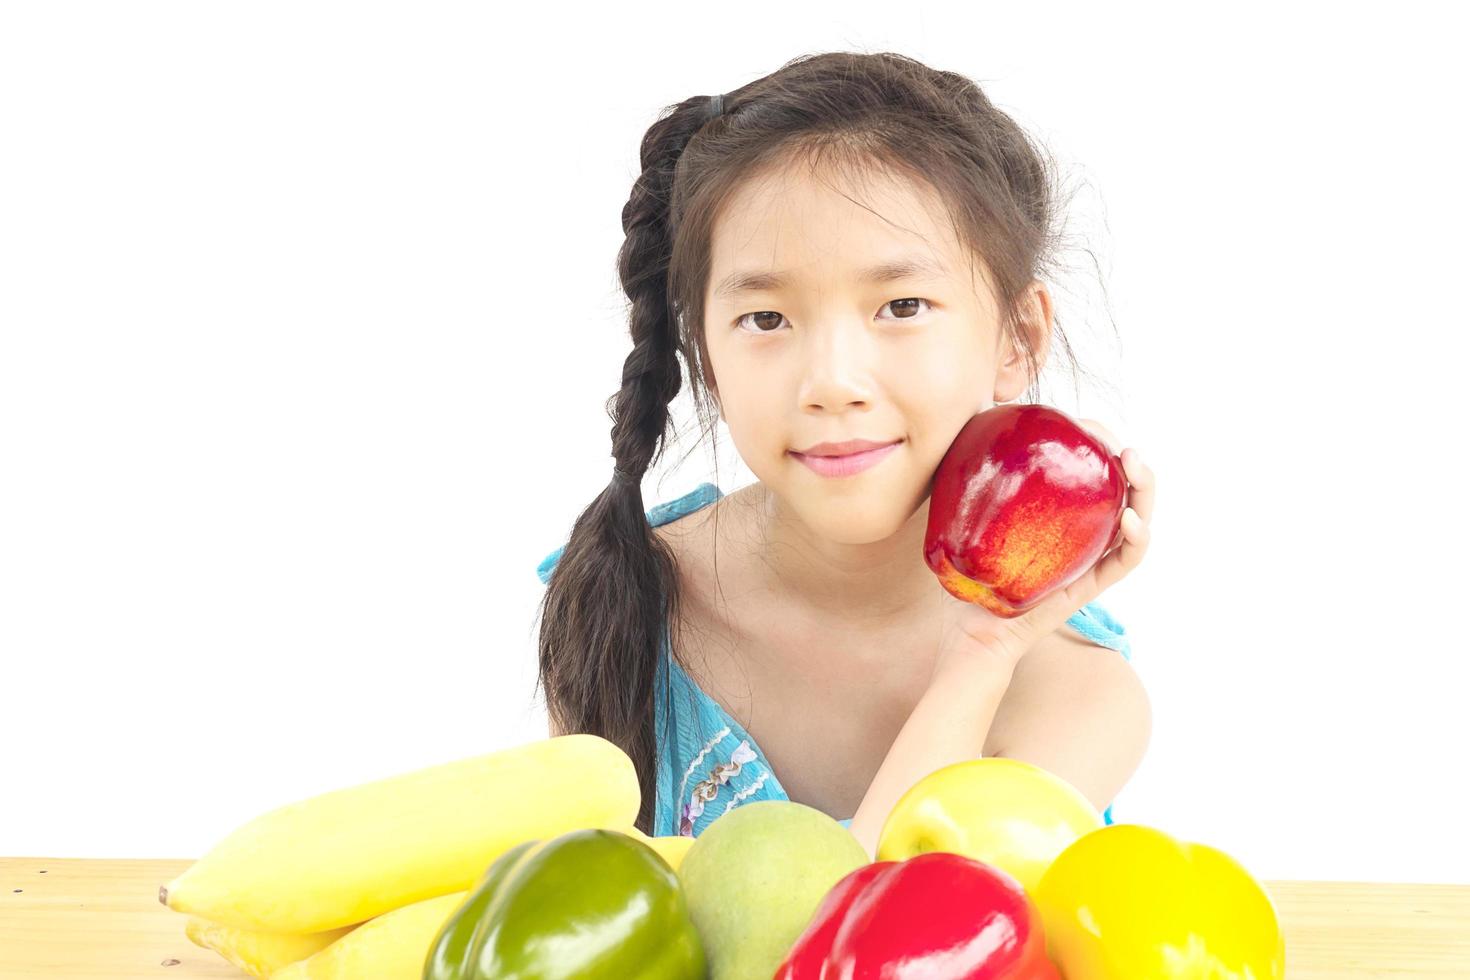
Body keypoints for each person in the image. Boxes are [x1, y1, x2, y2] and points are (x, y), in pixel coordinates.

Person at [533, 51, 1156, 859]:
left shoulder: (1073, 692)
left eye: (901, 306)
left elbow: (872, 933)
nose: (832, 383)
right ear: (703, 352)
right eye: (765, 319)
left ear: (1017, 336)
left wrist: (981, 653)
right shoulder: (620, 600)